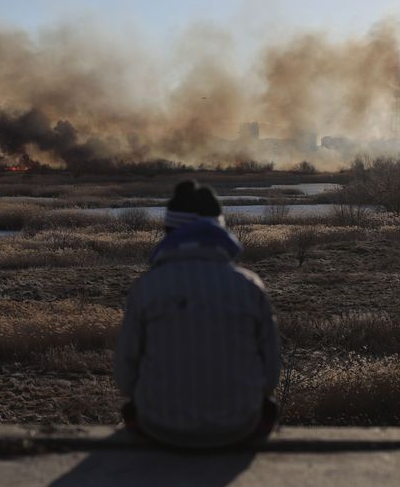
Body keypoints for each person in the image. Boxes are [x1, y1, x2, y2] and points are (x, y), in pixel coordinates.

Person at [114, 180, 281, 448]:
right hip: (238, 429)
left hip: (159, 429)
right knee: (269, 409)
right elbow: (270, 375)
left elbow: (125, 377)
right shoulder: (249, 286)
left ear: (169, 231)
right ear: (219, 231)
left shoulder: (147, 287)